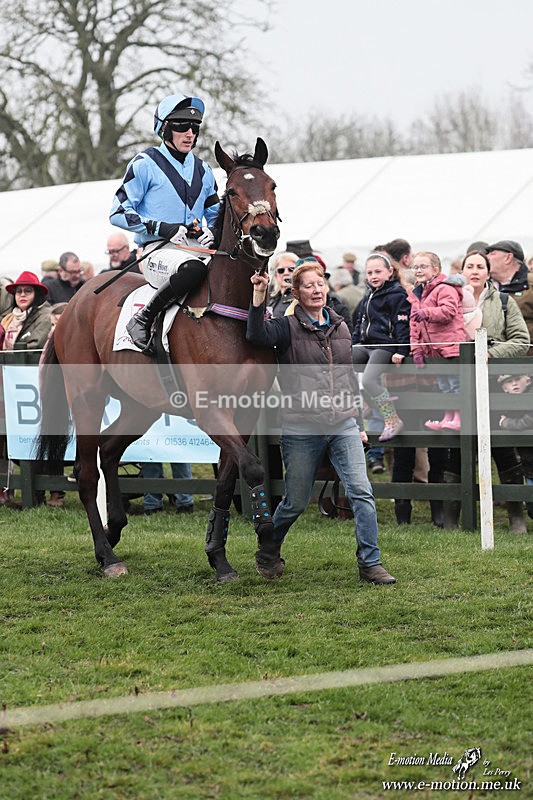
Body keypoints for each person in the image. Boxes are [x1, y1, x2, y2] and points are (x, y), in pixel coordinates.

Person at [246, 257, 396, 585]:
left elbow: (347, 380)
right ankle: (269, 547)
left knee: (361, 491)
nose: (316, 290)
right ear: (296, 293)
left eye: (320, 284)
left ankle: (370, 563)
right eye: (309, 286)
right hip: (302, 427)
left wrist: (358, 424)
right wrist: (259, 297)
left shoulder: (341, 326)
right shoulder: (284, 328)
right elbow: (256, 334)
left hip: (342, 424)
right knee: (295, 502)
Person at [110, 92, 220, 354]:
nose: (190, 133)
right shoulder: (144, 163)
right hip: (156, 251)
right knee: (193, 271)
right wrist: (162, 228)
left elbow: (216, 216)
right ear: (165, 129)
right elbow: (118, 212)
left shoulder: (204, 170)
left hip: (198, 250)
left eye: (195, 127)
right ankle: (143, 319)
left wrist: (213, 231)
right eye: (182, 126)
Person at [443, 249, 530, 532]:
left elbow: (521, 339)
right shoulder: (449, 298)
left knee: (503, 446)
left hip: (497, 384)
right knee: (457, 446)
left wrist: (489, 352)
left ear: (488, 271)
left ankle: (516, 515)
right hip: (460, 382)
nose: (475, 271)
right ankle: (453, 518)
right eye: (470, 266)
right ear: (463, 270)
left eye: (481, 266)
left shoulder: (503, 301)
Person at [352, 252, 410, 441]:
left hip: (385, 345)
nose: (373, 276)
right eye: (370, 273)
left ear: (390, 272)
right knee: (341, 365)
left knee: (368, 380)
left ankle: (392, 419)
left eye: (378, 271)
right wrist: (353, 344)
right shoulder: (368, 294)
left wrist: (402, 350)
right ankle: (367, 403)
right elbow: (360, 321)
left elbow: (402, 323)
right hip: (366, 344)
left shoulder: (397, 294)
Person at [409, 251, 467, 431]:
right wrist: (416, 349)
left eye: (423, 266)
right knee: (444, 386)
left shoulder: (444, 288)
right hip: (433, 349)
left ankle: (459, 417)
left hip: (450, 345)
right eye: (415, 267)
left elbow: (449, 311)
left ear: (435, 269)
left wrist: (427, 313)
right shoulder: (417, 294)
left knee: (455, 384)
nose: (418, 270)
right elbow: (414, 325)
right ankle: (448, 417)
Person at [486, 240, 533, 356]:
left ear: (508, 257)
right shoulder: (483, 286)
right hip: (490, 360)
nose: (486, 257)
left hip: (526, 361)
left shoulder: (531, 284)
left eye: (492, 253)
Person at [498, 373, 533, 521]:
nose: (514, 384)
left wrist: (506, 423)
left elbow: (527, 422)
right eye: (509, 382)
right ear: (504, 388)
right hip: (528, 459)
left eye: (517, 379)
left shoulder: (530, 396)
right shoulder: (508, 403)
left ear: (528, 379)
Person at [0, 271, 51, 351]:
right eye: (19, 291)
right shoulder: (7, 319)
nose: (22, 295)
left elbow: (35, 345)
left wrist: (7, 353)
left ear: (37, 294)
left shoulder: (46, 317)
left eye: (28, 291)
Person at [267, 251, 299, 318]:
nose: (286, 273)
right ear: (276, 275)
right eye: (281, 270)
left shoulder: (302, 298)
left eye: (291, 269)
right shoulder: (272, 299)